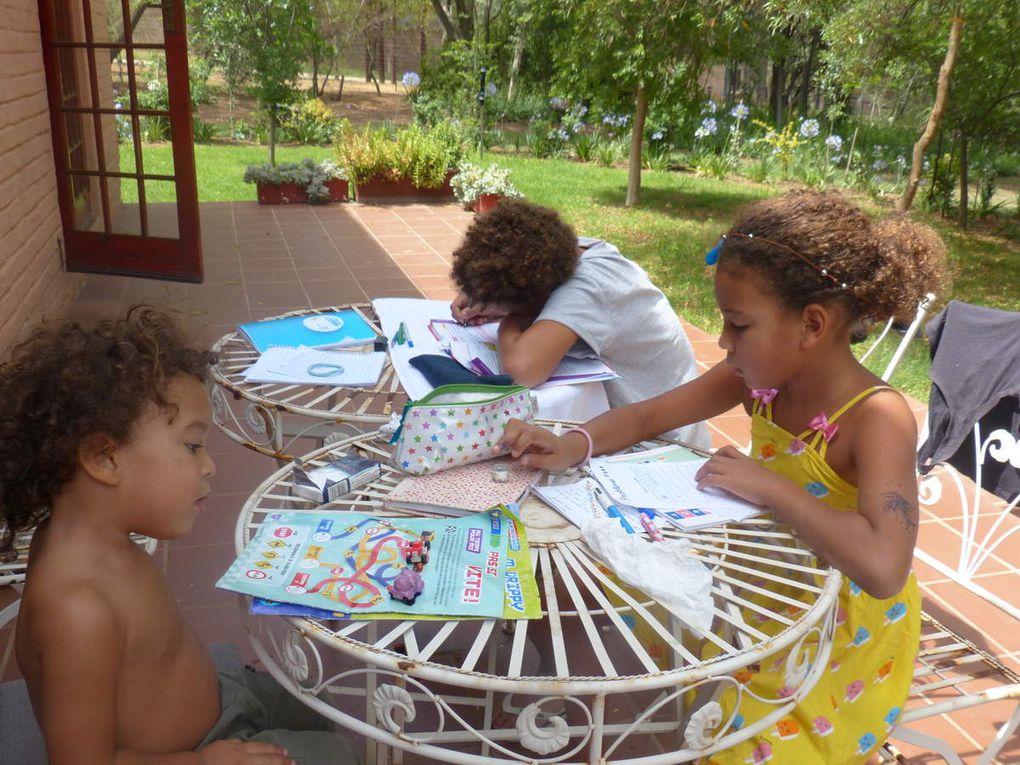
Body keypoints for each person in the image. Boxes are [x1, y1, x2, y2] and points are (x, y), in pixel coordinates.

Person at [500, 190, 948, 764]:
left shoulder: (876, 416)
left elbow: (885, 568)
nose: (723, 342)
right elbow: (647, 415)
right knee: (693, 700)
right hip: (771, 587)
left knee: (752, 749)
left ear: (812, 324)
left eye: (737, 324)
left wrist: (773, 488)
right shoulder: (758, 376)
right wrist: (572, 444)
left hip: (840, 631)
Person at [0, 308, 359, 765]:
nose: (208, 465)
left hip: (220, 697)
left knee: (316, 706)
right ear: (104, 457)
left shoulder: (92, 534)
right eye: (192, 446)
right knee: (338, 752)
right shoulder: (77, 613)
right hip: (192, 753)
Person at [449, 199, 709, 448]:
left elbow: (522, 371)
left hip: (662, 444)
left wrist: (512, 316)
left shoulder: (588, 286)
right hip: (627, 422)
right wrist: (490, 294)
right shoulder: (563, 255)